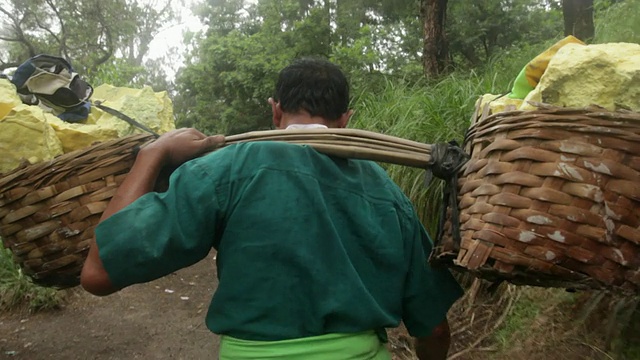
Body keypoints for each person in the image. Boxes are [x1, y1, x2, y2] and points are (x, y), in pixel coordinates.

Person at [81, 57, 464, 359]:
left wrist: (153, 153)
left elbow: (98, 274)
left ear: (275, 111)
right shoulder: (389, 194)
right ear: (346, 120)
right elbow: (433, 330)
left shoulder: (226, 169)